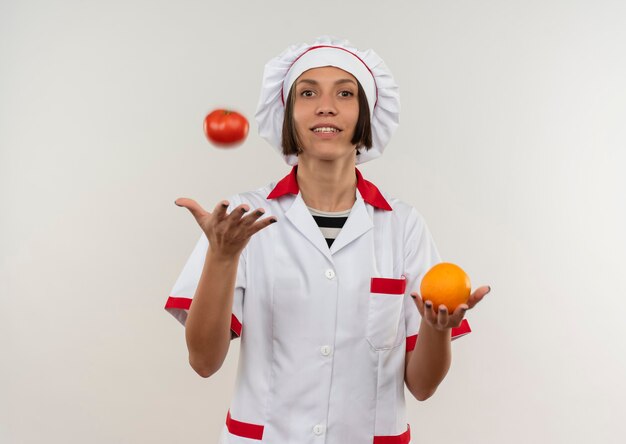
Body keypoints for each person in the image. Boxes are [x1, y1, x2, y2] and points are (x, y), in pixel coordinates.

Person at [165, 36, 490, 444]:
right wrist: (222, 258)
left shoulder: (403, 226)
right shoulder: (239, 221)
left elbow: (422, 387)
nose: (326, 105)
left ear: (365, 115)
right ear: (287, 114)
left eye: (345, 93)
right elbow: (203, 362)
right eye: (307, 92)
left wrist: (436, 329)